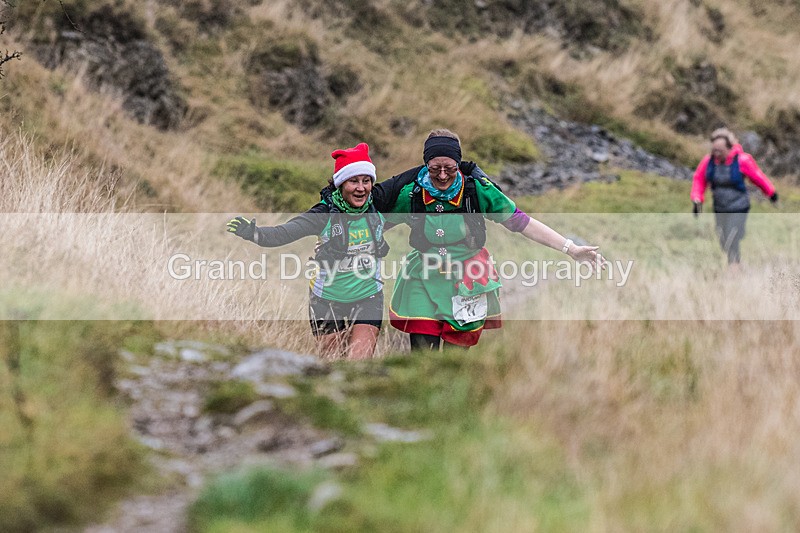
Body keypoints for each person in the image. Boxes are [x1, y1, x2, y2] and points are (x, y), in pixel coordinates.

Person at [364, 129, 605, 350]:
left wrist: (570, 248)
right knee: (421, 351)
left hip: (469, 277)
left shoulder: (477, 190)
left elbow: (522, 223)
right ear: (426, 164)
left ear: (458, 163)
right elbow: (378, 226)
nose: (442, 175)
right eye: (435, 168)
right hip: (423, 275)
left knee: (454, 356)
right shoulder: (413, 193)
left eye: (449, 167)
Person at [227, 143, 388, 359]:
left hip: (368, 295)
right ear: (340, 184)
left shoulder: (377, 205)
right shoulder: (324, 213)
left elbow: (411, 178)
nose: (361, 188)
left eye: (366, 181)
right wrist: (254, 233)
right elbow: (284, 232)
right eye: (353, 181)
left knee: (359, 362)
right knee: (332, 363)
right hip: (327, 299)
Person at [691, 127, 778, 266]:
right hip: (720, 207)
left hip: (739, 206)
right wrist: (697, 200)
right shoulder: (709, 161)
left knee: (732, 238)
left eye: (720, 150)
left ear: (729, 148)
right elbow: (699, 180)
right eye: (714, 150)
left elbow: (758, 177)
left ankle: (734, 270)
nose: (716, 153)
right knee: (724, 241)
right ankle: (737, 266)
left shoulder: (742, 160)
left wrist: (771, 193)